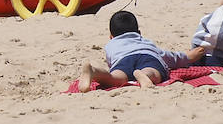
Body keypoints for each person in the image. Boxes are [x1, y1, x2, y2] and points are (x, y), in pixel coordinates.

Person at [73, 10, 205, 92]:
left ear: (111, 37)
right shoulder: (145, 43)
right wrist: (188, 57)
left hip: (123, 59)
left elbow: (112, 63)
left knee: (116, 77)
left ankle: (93, 71)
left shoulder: (111, 45)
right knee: (153, 71)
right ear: (139, 33)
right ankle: (145, 75)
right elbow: (169, 57)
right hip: (147, 56)